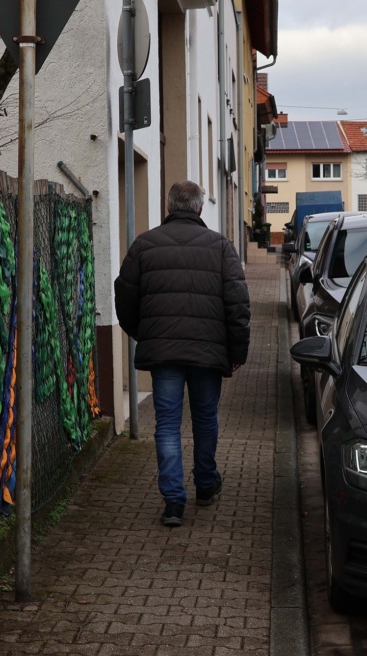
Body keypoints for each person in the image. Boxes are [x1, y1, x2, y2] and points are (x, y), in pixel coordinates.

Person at [114, 181, 250, 527]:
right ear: (200, 208)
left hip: (164, 356)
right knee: (205, 418)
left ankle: (174, 502)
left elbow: (125, 298)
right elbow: (237, 304)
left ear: (169, 206)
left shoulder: (144, 245)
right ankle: (205, 484)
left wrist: (147, 334)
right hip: (208, 352)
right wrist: (237, 351)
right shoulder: (221, 246)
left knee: (167, 424)